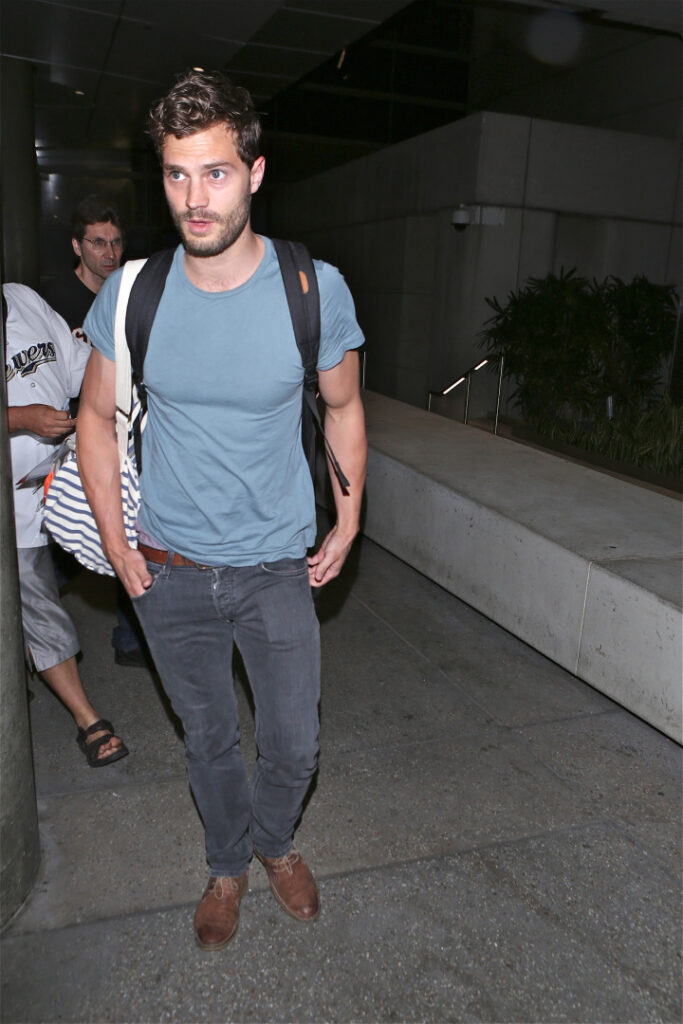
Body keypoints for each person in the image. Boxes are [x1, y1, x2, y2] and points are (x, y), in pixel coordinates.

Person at [77, 69, 367, 950]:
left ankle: (275, 842)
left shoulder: (311, 289)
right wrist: (116, 542)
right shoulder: (133, 294)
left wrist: (349, 518)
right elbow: (93, 419)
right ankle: (227, 864)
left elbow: (344, 408)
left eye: (214, 173)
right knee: (206, 739)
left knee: (293, 743)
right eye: (176, 174)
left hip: (276, 563)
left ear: (254, 172)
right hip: (167, 569)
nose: (194, 199)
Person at [4, 282, 128, 767]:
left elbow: (77, 364)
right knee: (38, 602)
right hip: (11, 503)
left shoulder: (21, 297)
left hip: (58, 480)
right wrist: (20, 417)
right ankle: (87, 719)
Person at [41, 195, 147, 668]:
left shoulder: (127, 295)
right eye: (98, 242)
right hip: (66, 437)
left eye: (116, 242)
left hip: (121, 430)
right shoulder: (53, 303)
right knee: (62, 545)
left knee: (129, 528)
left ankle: (131, 639)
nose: (109, 252)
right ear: (76, 246)